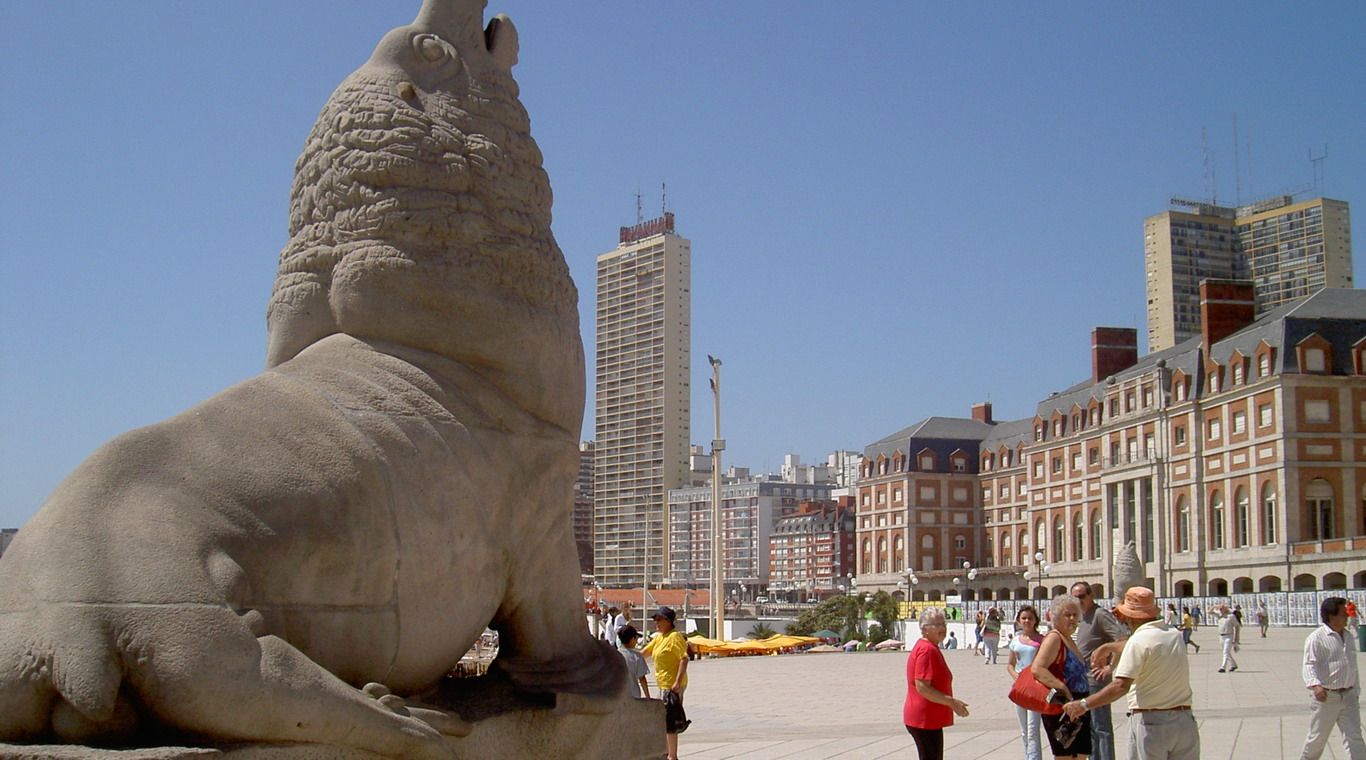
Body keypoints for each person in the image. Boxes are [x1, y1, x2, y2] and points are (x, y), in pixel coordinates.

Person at [1062, 586, 1199, 760]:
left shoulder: (1137, 641)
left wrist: (1084, 705)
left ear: (1130, 616)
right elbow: (1145, 644)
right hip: (1184, 721)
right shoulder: (1174, 635)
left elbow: (1120, 685)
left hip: (1152, 724)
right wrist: (1108, 646)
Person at [1298, 596, 1366, 760]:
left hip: (1349, 696)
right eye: (1343, 613)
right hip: (1327, 697)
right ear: (1331, 616)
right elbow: (1309, 665)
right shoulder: (1316, 638)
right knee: (1317, 739)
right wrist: (1315, 685)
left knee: (1354, 737)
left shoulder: (1348, 636)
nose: (1347, 616)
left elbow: (1352, 665)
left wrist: (1356, 689)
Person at [904, 607, 969, 760]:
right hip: (924, 719)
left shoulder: (929, 647)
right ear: (924, 629)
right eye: (936, 624)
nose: (942, 628)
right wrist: (952, 702)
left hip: (926, 717)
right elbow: (922, 686)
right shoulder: (927, 650)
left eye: (943, 624)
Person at [1072, 581, 1127, 760]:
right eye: (1075, 597)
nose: (1078, 600)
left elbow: (1121, 639)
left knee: (1101, 726)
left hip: (1096, 679)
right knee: (1091, 728)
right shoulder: (1083, 617)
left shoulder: (1099, 615)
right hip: (1083, 679)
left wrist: (1110, 667)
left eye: (1081, 596)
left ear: (1091, 596)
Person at [1032, 595, 1090, 759]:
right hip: (1063, 705)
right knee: (1065, 755)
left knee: (1080, 754)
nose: (1072, 619)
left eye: (1075, 615)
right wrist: (1062, 688)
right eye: (1067, 615)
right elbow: (1038, 668)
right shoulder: (1054, 638)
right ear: (1056, 617)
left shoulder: (1069, 639)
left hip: (1079, 703)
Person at [643, 607, 690, 760]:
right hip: (663, 685)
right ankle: (666, 751)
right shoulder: (659, 637)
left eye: (660, 620)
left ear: (669, 621)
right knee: (662, 719)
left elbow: (684, 659)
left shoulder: (675, 637)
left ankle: (672, 755)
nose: (656, 623)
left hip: (673, 686)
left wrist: (677, 682)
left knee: (670, 720)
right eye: (655, 620)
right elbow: (644, 653)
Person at [1008, 605, 1045, 760]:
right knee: (1024, 729)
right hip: (1020, 689)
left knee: (1032, 729)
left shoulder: (1042, 641)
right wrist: (1016, 676)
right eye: (1023, 618)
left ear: (1035, 620)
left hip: (1035, 689)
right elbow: (1010, 664)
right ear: (1018, 620)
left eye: (1030, 618)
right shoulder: (1016, 640)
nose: (1027, 621)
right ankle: (1028, 756)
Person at [617, 624, 650, 698]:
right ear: (632, 639)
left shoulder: (614, 655)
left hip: (617, 696)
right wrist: (648, 696)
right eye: (636, 638)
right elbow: (642, 679)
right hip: (633, 695)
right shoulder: (637, 657)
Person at [1215, 603, 1240, 673]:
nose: (1220, 610)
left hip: (1229, 636)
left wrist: (1236, 639)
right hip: (1221, 636)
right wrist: (1215, 606)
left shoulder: (1231, 616)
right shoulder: (1219, 616)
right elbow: (1209, 612)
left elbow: (1237, 626)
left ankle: (1223, 667)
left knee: (1225, 651)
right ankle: (1234, 665)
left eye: (1221, 608)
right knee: (1226, 652)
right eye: (1220, 609)